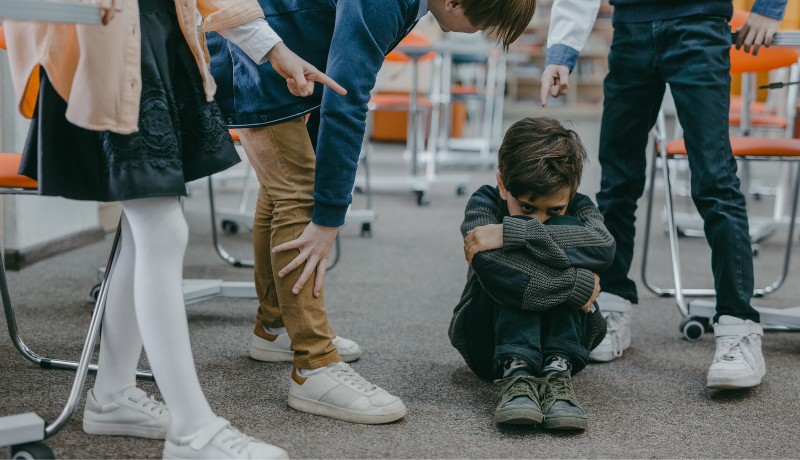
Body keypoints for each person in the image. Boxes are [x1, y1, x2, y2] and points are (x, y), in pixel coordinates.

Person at [5, 0, 343, 457]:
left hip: (154, 30)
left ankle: (113, 395)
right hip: (107, 36)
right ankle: (191, 430)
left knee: (145, 226)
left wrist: (275, 51)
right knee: (160, 229)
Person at [205, 0, 537, 424]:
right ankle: (314, 366)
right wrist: (328, 215)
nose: (480, 32)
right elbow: (348, 93)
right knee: (299, 196)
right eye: (483, 22)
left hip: (278, 53)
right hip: (256, 52)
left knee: (281, 190)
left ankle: (276, 327)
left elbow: (340, 79)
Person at [539, 0, 788, 388]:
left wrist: (770, 7)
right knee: (617, 183)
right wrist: (562, 50)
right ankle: (612, 306)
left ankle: (738, 326)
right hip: (631, 31)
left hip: (700, 25)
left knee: (714, 180)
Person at [449, 117, 615, 430]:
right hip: (490, 345)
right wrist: (575, 284)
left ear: (572, 190)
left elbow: (604, 248)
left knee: (565, 229)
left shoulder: (579, 206)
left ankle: (556, 371)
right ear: (502, 185)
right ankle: (517, 370)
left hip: (567, 347)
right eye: (526, 208)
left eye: (554, 209)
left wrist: (518, 232)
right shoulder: (484, 202)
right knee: (503, 266)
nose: (540, 218)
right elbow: (491, 267)